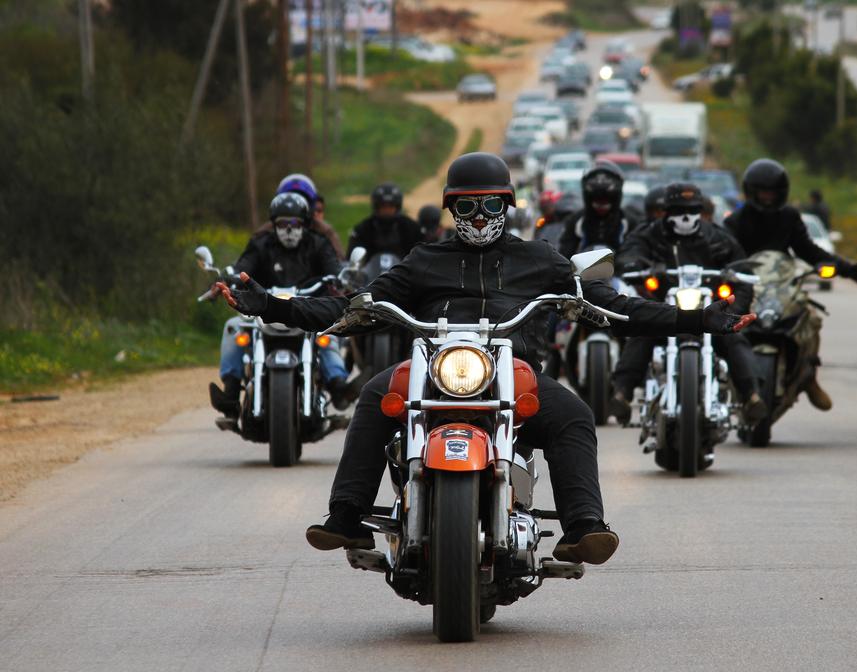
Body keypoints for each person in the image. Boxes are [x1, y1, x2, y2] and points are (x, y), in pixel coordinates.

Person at [218, 153, 756, 566]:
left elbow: (618, 307)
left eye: (492, 204)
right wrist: (266, 304)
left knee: (573, 415)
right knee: (373, 395)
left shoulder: (540, 259)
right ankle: (347, 516)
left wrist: (700, 318)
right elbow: (353, 303)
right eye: (468, 206)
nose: (480, 215)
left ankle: (582, 526)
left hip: (513, 370)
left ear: (508, 206)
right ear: (452, 210)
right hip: (433, 369)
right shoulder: (423, 259)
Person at [724, 159, 857, 411]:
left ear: (781, 193)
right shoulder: (736, 220)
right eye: (762, 192)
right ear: (751, 191)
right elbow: (723, 250)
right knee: (724, 324)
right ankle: (717, 376)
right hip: (746, 288)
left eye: (772, 193)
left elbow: (809, 250)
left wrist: (853, 271)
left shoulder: (788, 217)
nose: (767, 198)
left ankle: (808, 377)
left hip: (779, 286)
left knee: (811, 319)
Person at [609, 183, 767, 425]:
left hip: (710, 315)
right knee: (642, 332)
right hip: (664, 312)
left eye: (693, 208)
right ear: (665, 210)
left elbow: (742, 272)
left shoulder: (717, 237)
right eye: (678, 209)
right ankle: (622, 393)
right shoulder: (649, 234)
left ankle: (752, 395)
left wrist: (732, 309)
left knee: (735, 337)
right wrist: (640, 267)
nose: (686, 215)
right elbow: (627, 256)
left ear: (700, 209)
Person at [209, 193, 356, 417]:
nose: (289, 229)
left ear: (305, 223)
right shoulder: (261, 245)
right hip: (265, 307)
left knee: (329, 333)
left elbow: (334, 270)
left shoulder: (318, 244)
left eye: (295, 223)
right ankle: (230, 392)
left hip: (308, 307)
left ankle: (337, 386)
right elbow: (243, 267)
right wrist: (231, 278)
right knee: (233, 327)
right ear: (274, 224)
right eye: (282, 223)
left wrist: (339, 278)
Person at [558, 160, 636, 258]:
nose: (601, 205)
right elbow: (564, 254)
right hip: (581, 272)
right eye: (596, 200)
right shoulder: (575, 221)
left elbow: (637, 252)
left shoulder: (629, 222)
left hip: (619, 271)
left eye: (607, 200)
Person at [256, 174, 344, 257]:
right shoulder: (263, 234)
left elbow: (338, 262)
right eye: (282, 224)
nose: (293, 207)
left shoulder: (325, 232)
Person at [347, 182, 424, 258]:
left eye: (390, 206)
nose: (387, 210)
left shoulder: (411, 227)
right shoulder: (363, 229)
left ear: (397, 207)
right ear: (376, 207)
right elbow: (351, 257)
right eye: (383, 206)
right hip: (371, 270)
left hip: (404, 269)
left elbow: (420, 255)